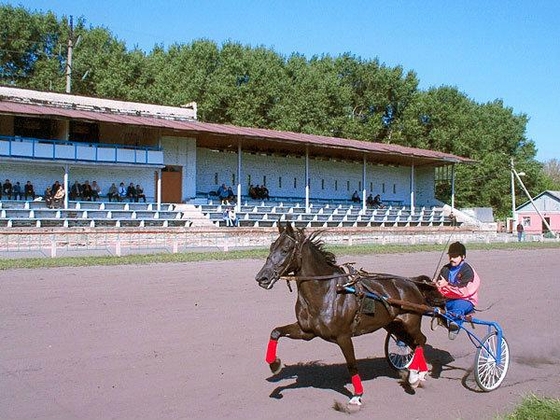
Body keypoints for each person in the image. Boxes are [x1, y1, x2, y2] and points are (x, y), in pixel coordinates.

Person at [433, 241, 480, 339]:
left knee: (458, 305)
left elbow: (464, 291)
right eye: (450, 256)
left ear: (463, 257)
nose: (452, 259)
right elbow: (439, 285)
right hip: (446, 299)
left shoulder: (467, 270)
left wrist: (447, 284)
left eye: (455, 256)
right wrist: (435, 284)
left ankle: (455, 326)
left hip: (465, 301)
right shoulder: (445, 269)